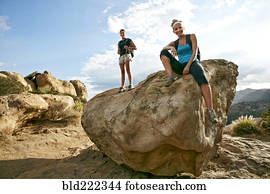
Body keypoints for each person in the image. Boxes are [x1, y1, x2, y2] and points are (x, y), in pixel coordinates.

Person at [160, 19, 218, 123]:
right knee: (163, 53)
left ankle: (210, 111)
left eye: (180, 28)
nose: (178, 30)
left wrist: (188, 66)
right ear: (173, 31)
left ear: (183, 28)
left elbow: (194, 52)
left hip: (192, 63)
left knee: (203, 80)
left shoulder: (191, 36)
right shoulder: (175, 42)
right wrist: (171, 48)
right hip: (180, 66)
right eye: (176, 29)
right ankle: (171, 76)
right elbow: (164, 48)